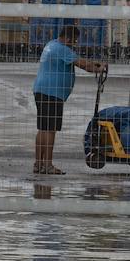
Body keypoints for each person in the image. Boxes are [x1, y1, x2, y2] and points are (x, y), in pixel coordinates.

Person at [31, 24, 107, 175]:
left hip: (41, 90)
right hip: (52, 93)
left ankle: (38, 164)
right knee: (50, 129)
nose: (74, 44)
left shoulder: (51, 45)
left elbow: (77, 59)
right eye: (74, 41)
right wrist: (98, 68)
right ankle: (47, 165)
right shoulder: (61, 49)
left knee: (42, 128)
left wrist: (92, 63)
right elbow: (82, 64)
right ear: (67, 38)